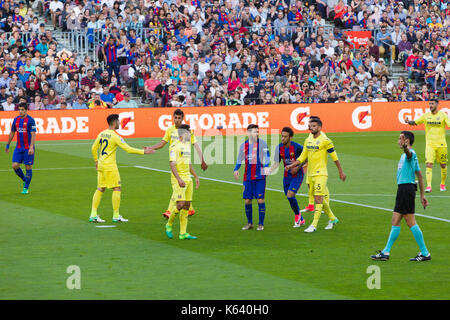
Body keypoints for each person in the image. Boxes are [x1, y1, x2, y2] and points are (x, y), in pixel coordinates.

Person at [371, 131, 431, 262]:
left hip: (406, 190)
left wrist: (405, 148)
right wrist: (422, 196)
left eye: (400, 139)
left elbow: (408, 154)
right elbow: (420, 176)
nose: (398, 141)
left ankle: (425, 253)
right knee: (395, 220)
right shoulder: (407, 156)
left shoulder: (410, 154)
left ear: (407, 141)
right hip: (404, 190)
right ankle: (386, 252)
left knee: (410, 222)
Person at [89, 114, 154, 223]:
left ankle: (93, 214)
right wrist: (144, 152)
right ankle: (116, 215)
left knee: (100, 188)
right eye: (118, 121)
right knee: (117, 188)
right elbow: (128, 149)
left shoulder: (101, 134)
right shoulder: (115, 136)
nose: (119, 123)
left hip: (101, 164)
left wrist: (96, 161)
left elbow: (93, 148)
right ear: (114, 123)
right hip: (110, 166)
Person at [286, 118, 346, 233]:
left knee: (318, 199)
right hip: (310, 173)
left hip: (321, 173)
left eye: (313, 126)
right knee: (319, 198)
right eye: (310, 126)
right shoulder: (308, 139)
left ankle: (313, 225)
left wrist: (341, 171)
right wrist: (292, 165)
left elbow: (334, 157)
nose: (311, 128)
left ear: (319, 127)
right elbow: (303, 156)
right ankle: (333, 218)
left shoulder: (325, 140)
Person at [150, 109, 208, 219]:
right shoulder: (170, 130)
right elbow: (162, 144)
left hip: (184, 160)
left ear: (182, 118)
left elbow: (196, 145)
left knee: (179, 186)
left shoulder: (187, 131)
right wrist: (151, 148)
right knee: (180, 186)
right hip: (174, 161)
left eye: (179, 118)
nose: (176, 120)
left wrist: (202, 160)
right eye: (175, 118)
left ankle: (169, 211)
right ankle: (189, 209)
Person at [165, 124, 200, 240]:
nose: (190, 135)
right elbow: (171, 164)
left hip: (188, 178)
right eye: (188, 133)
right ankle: (169, 224)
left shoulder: (186, 146)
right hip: (178, 180)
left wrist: (195, 176)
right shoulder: (174, 146)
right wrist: (179, 179)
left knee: (187, 205)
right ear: (183, 134)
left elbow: (188, 163)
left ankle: (183, 233)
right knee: (180, 204)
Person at [405, 99, 449, 192]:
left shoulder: (443, 115)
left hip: (441, 144)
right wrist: (408, 121)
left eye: (432, 104)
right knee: (429, 164)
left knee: (443, 165)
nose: (430, 105)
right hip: (430, 145)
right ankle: (429, 186)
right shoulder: (426, 116)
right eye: (429, 104)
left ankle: (442, 184)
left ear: (437, 104)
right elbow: (415, 122)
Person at [266, 127, 305, 228]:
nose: (282, 138)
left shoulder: (297, 147)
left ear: (290, 137)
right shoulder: (279, 148)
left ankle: (297, 216)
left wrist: (298, 168)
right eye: (282, 136)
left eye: (285, 136)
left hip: (297, 174)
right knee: (289, 197)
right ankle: (301, 219)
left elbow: (306, 157)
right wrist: (269, 171)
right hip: (287, 175)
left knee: (290, 195)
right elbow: (276, 162)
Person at [234, 124, 270, 231]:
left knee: (260, 200)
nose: (257, 133)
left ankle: (261, 224)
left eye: (257, 131)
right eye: (254, 131)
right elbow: (239, 159)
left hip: (260, 176)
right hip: (248, 177)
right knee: (247, 201)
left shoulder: (262, 144)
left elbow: (267, 156)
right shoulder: (243, 145)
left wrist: (267, 167)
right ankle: (250, 223)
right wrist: (236, 169)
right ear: (248, 133)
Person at [5, 103, 36, 194]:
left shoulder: (31, 120)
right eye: (19, 109)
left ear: (26, 110)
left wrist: (31, 147)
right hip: (19, 147)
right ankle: (25, 180)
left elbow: (33, 134)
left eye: (22, 110)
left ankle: (26, 188)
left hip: (28, 148)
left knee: (28, 166)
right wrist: (8, 144)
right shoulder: (16, 120)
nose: (20, 111)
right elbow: (12, 132)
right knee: (15, 165)